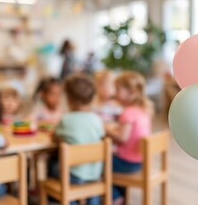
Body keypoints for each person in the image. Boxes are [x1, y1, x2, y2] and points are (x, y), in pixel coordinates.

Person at [49, 74, 104, 205]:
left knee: (52, 163)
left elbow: (54, 137)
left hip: (73, 176)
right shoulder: (97, 119)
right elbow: (100, 136)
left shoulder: (66, 119)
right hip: (94, 173)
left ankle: (60, 200)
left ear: (68, 99)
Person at [105, 71, 153, 205]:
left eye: (118, 90)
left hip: (126, 163)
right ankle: (120, 197)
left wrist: (106, 129)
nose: (115, 93)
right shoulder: (143, 109)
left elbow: (122, 138)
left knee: (98, 166)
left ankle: (115, 197)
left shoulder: (127, 112)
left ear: (131, 92)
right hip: (139, 161)